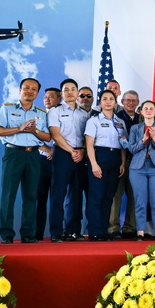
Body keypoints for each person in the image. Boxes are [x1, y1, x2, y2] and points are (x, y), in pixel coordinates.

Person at [0, 77, 50, 244]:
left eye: (33, 89)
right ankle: (7, 234)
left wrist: (34, 131)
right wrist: (19, 128)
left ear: (37, 93)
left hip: (33, 155)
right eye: (26, 88)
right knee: (8, 194)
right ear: (20, 90)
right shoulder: (7, 109)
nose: (29, 91)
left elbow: (47, 137)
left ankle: (28, 234)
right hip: (13, 154)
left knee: (31, 195)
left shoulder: (41, 113)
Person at [48, 78, 90, 242]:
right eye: (66, 89)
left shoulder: (84, 113)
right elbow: (56, 135)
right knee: (58, 194)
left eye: (73, 89)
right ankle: (56, 232)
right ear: (62, 93)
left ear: (77, 92)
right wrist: (72, 151)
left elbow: (88, 137)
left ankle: (73, 231)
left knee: (76, 195)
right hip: (63, 154)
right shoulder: (55, 111)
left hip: (80, 155)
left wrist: (82, 151)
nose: (70, 92)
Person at [84, 89, 128, 241]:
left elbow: (123, 144)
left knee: (109, 196)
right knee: (96, 196)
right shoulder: (94, 120)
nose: (108, 101)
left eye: (111, 99)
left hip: (115, 158)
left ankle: (104, 230)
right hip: (99, 157)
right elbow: (89, 144)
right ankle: (95, 230)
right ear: (100, 102)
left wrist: (122, 163)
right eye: (105, 99)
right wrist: (94, 164)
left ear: (115, 103)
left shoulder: (120, 122)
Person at [128, 100, 155, 241]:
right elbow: (131, 148)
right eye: (146, 108)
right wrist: (143, 140)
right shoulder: (135, 128)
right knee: (140, 201)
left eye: (152, 108)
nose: (149, 111)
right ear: (141, 111)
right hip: (138, 168)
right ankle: (140, 232)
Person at [109, 90, 140, 240]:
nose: (130, 103)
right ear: (122, 101)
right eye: (128, 100)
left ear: (138, 103)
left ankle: (130, 228)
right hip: (119, 162)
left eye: (134, 100)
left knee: (134, 196)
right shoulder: (115, 118)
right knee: (116, 195)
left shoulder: (142, 119)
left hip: (137, 163)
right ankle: (113, 228)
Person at [36, 86, 61, 241]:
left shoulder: (64, 114)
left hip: (59, 160)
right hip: (41, 160)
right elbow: (30, 134)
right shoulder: (38, 115)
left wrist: (56, 151)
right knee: (39, 199)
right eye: (45, 96)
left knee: (57, 199)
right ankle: (36, 234)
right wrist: (47, 150)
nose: (47, 99)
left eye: (51, 96)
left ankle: (56, 234)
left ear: (60, 98)